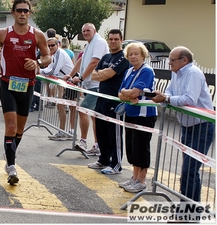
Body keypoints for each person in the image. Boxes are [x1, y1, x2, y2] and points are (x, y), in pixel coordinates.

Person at [0, 0, 51, 185]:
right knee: (11, 127)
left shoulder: (38, 35)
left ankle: (9, 154)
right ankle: (12, 166)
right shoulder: (2, 33)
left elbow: (48, 57)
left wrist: (37, 63)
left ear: (30, 13)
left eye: (26, 11)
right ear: (13, 13)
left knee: (20, 130)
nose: (22, 14)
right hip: (8, 84)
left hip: (27, 85)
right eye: (19, 10)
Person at [151, 46, 214, 201]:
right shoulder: (176, 73)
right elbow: (170, 91)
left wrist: (166, 98)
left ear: (184, 60)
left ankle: (189, 212)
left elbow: (189, 99)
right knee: (188, 170)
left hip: (201, 127)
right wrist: (166, 96)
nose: (169, 63)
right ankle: (187, 210)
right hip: (187, 126)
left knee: (189, 170)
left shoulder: (193, 73)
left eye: (172, 60)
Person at [117, 42, 157, 193]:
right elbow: (120, 94)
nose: (133, 57)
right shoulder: (129, 71)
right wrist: (129, 94)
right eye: (130, 54)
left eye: (136, 54)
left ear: (143, 55)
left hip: (144, 115)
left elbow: (133, 93)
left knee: (141, 147)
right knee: (132, 147)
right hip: (131, 113)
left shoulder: (146, 71)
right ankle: (134, 177)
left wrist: (129, 93)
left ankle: (141, 180)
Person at [63, 23, 109, 154]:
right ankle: (98, 145)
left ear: (94, 31)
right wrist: (70, 75)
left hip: (97, 85)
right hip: (91, 86)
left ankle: (83, 141)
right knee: (95, 116)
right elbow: (81, 61)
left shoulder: (99, 42)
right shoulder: (89, 45)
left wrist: (81, 78)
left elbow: (94, 62)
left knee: (83, 110)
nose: (86, 33)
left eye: (88, 30)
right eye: (83, 31)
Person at [87, 29, 130, 167]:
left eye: (116, 39)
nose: (113, 41)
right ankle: (103, 159)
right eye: (111, 39)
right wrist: (103, 74)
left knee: (114, 133)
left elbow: (109, 74)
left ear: (121, 40)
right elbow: (93, 75)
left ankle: (115, 163)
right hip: (101, 99)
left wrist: (104, 74)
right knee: (101, 131)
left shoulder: (124, 57)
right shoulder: (105, 57)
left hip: (114, 100)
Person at [39, 37, 77, 141]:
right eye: (49, 45)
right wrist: (40, 70)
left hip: (71, 82)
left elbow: (53, 71)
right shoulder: (54, 54)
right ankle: (63, 131)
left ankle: (70, 132)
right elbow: (50, 68)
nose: (50, 47)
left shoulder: (60, 53)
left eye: (52, 45)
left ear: (58, 45)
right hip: (64, 82)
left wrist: (39, 70)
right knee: (61, 106)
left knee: (70, 107)